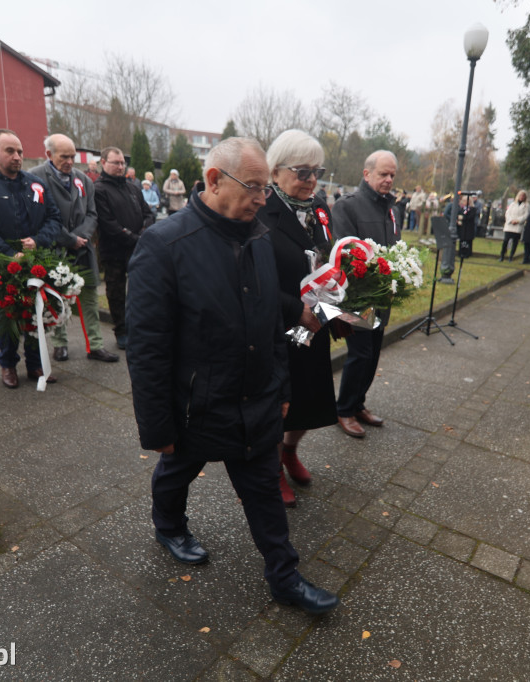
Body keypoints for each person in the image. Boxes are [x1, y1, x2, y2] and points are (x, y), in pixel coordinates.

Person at [126, 137, 339, 615]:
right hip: (197, 403)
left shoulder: (258, 236)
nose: (263, 199)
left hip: (256, 399)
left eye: (266, 188)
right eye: (255, 187)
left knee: (264, 491)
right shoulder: (163, 245)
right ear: (214, 180)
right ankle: (169, 526)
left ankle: (285, 577)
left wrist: (281, 387)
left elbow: (269, 321)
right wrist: (158, 427)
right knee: (177, 471)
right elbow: (147, 348)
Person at [258, 129, 337, 507]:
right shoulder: (261, 211)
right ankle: (272, 466)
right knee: (281, 399)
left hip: (315, 321)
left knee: (310, 395)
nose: (311, 180)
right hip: (280, 322)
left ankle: (290, 451)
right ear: (275, 171)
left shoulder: (319, 208)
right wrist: (295, 309)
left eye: (316, 172)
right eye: (302, 172)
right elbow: (252, 279)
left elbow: (327, 258)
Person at [0, 129, 63, 388]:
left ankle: (35, 363)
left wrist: (37, 241)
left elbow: (54, 218)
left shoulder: (34, 183)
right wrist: (8, 253)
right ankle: (8, 364)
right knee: (7, 314)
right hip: (0, 263)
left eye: (20, 151)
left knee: (34, 311)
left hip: (34, 260)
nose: (17, 156)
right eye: (10, 151)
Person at [30, 134, 118, 363]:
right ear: (49, 154)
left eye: (72, 156)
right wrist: (69, 239)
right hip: (54, 250)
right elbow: (39, 216)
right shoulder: (35, 177)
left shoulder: (84, 179)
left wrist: (81, 236)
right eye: (64, 157)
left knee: (89, 299)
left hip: (83, 249)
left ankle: (95, 345)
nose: (69, 161)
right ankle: (60, 344)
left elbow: (92, 213)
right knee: (56, 298)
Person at [332, 150, 398, 439]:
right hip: (357, 297)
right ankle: (344, 409)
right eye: (383, 174)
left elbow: (394, 249)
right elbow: (344, 253)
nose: (389, 180)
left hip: (382, 296)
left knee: (372, 356)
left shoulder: (391, 209)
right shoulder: (347, 206)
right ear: (366, 174)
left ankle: (358, 404)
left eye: (392, 175)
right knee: (360, 355)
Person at [94, 146, 154, 350]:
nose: (121, 167)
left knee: (141, 290)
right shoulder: (99, 189)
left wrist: (144, 234)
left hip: (138, 250)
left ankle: (139, 327)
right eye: (116, 163)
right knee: (116, 292)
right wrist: (135, 238)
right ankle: (121, 331)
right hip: (114, 251)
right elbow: (108, 223)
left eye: (122, 163)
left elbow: (148, 214)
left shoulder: (133, 188)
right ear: (104, 163)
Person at [501, 190, 528, 262]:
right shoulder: (513, 204)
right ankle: (502, 256)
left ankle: (511, 256)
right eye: (521, 195)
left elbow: (525, 216)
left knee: (515, 242)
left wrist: (517, 221)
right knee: (505, 241)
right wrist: (511, 220)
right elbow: (507, 213)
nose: (521, 197)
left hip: (517, 226)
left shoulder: (526, 206)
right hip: (509, 225)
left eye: (523, 196)